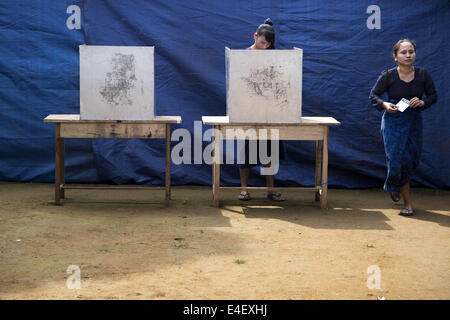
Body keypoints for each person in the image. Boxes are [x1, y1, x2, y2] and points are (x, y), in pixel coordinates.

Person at [369, 39, 437, 216]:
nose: (408, 55)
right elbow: (374, 95)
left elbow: (433, 96)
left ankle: (394, 184)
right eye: (404, 52)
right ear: (395, 56)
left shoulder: (423, 75)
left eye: (411, 52)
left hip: (413, 121)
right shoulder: (388, 76)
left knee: (410, 159)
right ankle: (407, 203)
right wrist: (384, 105)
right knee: (396, 158)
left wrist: (423, 102)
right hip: (393, 121)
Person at [238, 18, 286, 202]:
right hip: (249, 110)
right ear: (255, 36)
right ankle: (243, 189)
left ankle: (270, 190)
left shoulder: (272, 57)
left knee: (270, 151)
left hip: (269, 111)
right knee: (247, 152)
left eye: (267, 44)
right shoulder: (244, 56)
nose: (264, 46)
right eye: (262, 42)